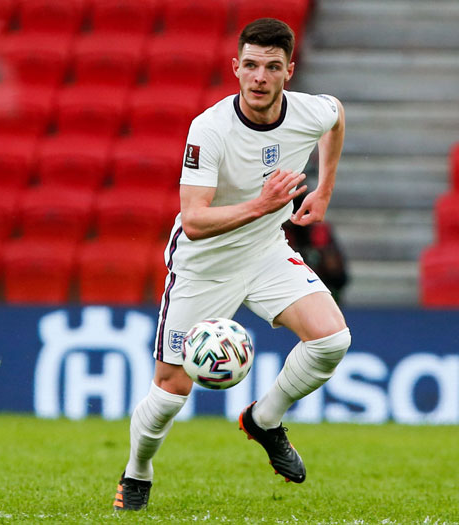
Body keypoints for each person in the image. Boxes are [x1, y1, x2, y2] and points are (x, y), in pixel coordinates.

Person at [113, 17, 350, 511]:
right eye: (251, 66)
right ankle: (137, 471)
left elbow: (336, 116)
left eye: (271, 67)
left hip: (265, 251)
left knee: (332, 340)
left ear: (289, 70)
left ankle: (264, 420)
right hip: (204, 265)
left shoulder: (309, 111)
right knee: (170, 393)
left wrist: (324, 190)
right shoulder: (210, 129)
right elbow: (195, 220)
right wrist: (263, 205)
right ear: (235, 68)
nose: (259, 77)